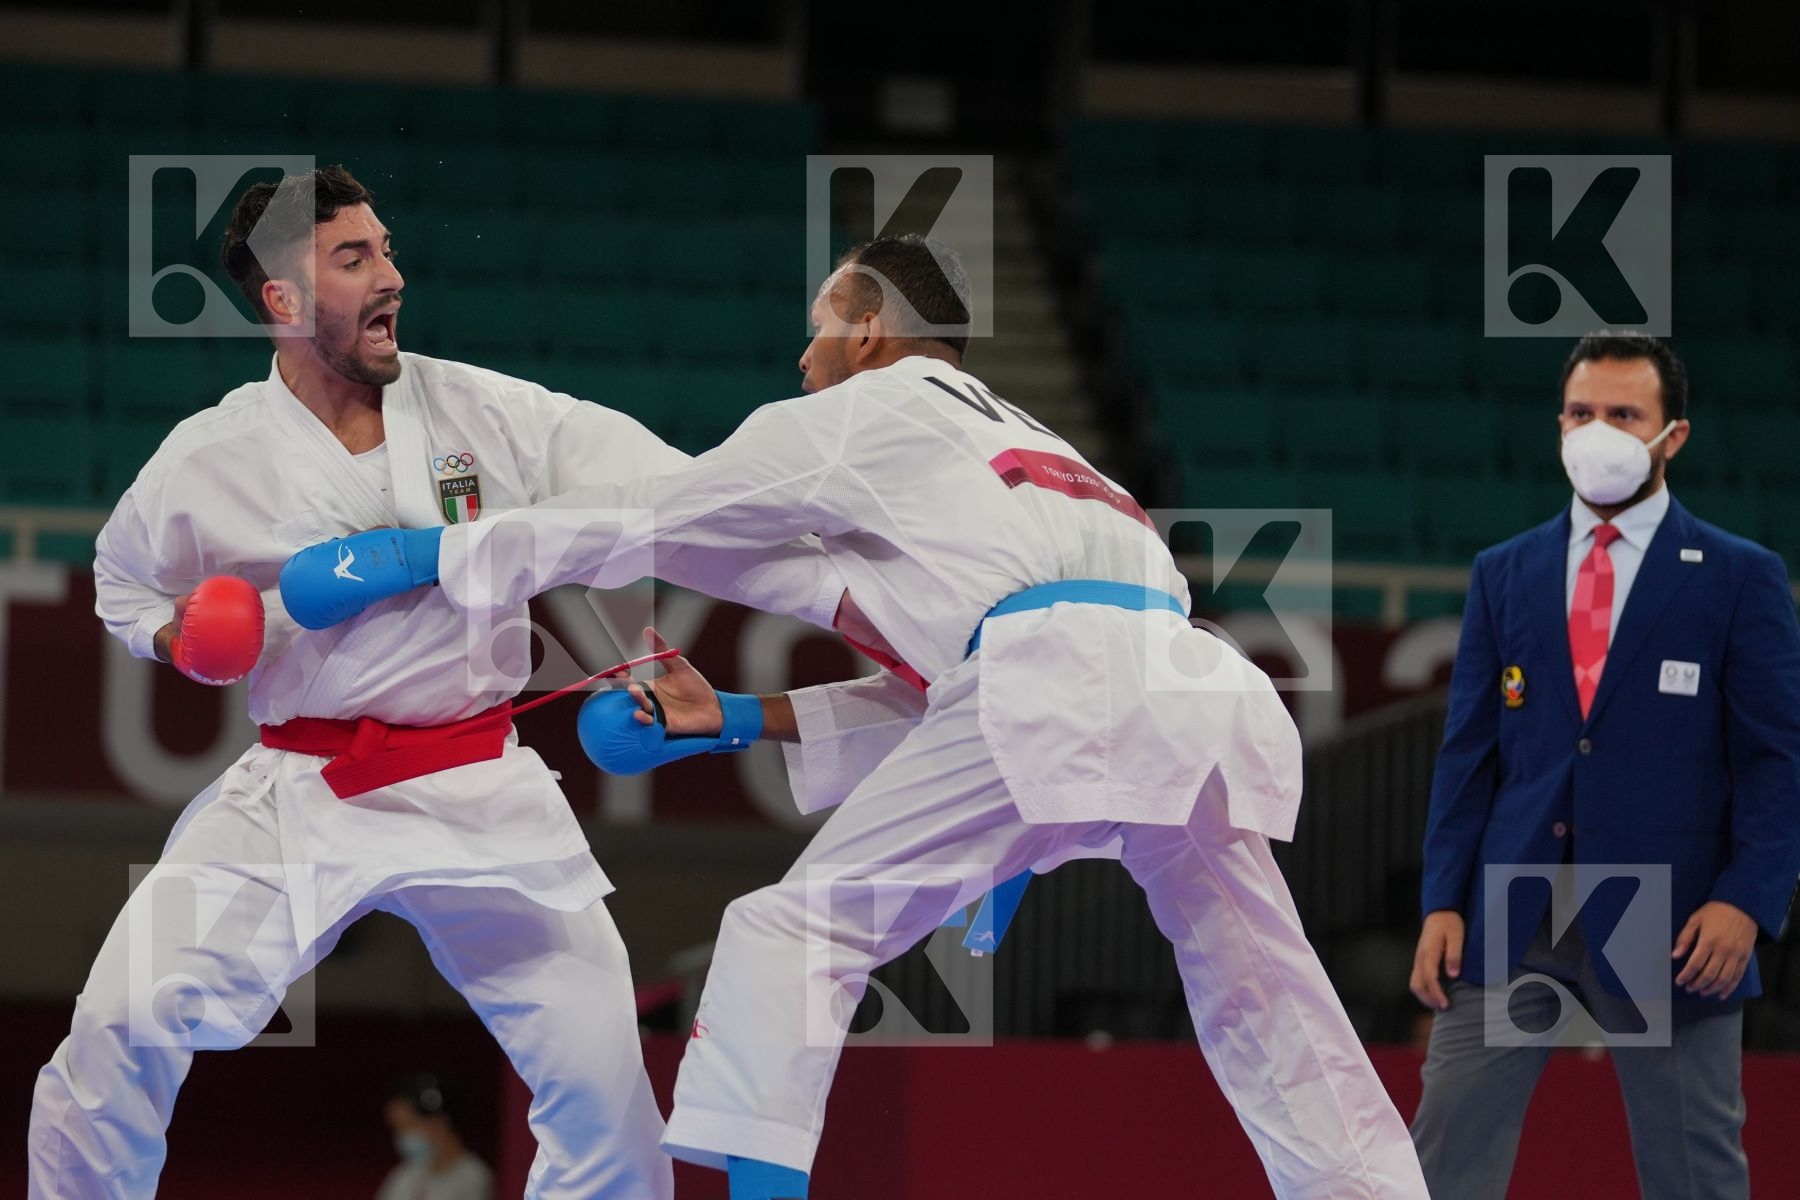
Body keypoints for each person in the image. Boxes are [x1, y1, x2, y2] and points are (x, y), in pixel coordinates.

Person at [282, 233, 1431, 1200]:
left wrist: (420, 552)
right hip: (1189, 689)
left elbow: (647, 517)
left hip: (1052, 684)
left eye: (821, 325)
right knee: (1263, 985)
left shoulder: (869, 408)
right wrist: (732, 714)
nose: (803, 353)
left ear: (870, 331)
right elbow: (957, 676)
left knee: (794, 932)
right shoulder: (1040, 449)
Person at [26, 165, 850, 1199]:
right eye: (355, 257)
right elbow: (120, 582)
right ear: (281, 299)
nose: (393, 275)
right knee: (117, 1027)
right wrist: (177, 641)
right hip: (301, 787)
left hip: (479, 785)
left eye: (390, 249)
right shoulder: (208, 458)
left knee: (606, 1096)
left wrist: (652, 632)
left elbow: (647, 492)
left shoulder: (486, 411)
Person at [1407, 332, 1800, 1199]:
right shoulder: (1504, 572)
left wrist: (1746, 900)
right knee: (1441, 1165)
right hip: (1517, 904)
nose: (1600, 432)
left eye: (1625, 415)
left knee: (1692, 1173)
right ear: (1558, 424)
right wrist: (1441, 898)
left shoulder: (1740, 577)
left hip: (1669, 917)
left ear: (1674, 436)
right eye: (1583, 413)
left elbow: (1780, 760)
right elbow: (1468, 755)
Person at [377, 1074, 494, 1200]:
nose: (402, 1137)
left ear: (438, 1123)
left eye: (407, 1127)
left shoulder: (473, 1178)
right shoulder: (403, 1176)